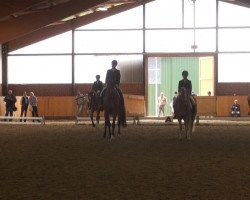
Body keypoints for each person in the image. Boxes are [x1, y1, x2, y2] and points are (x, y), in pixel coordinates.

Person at [100, 60, 126, 126]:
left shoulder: (118, 71)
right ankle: (101, 105)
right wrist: (107, 84)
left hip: (115, 85)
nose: (113, 65)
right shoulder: (108, 71)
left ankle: (121, 106)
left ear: (116, 64)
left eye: (114, 64)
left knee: (121, 94)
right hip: (109, 85)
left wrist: (117, 84)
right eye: (112, 63)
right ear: (111, 64)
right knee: (101, 93)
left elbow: (118, 79)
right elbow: (106, 78)